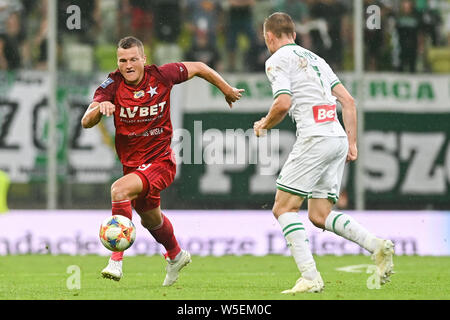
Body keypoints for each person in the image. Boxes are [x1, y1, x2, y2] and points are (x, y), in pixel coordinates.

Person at [81, 36, 244, 286]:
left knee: (119, 189)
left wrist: (226, 89)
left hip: (160, 161)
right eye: (123, 60)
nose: (128, 65)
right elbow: (85, 121)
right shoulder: (111, 85)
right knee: (150, 219)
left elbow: (199, 67)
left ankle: (115, 261)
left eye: (134, 59)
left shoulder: (161, 75)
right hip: (134, 167)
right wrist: (98, 111)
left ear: (144, 59)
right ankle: (176, 255)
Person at [253, 12, 394, 293]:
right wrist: (352, 143)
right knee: (319, 214)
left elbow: (282, 103)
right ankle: (376, 246)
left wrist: (264, 124)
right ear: (293, 34)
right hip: (336, 137)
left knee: (283, 208)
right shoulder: (317, 59)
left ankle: (310, 276)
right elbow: (349, 102)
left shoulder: (276, 60)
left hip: (315, 138)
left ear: (269, 37)